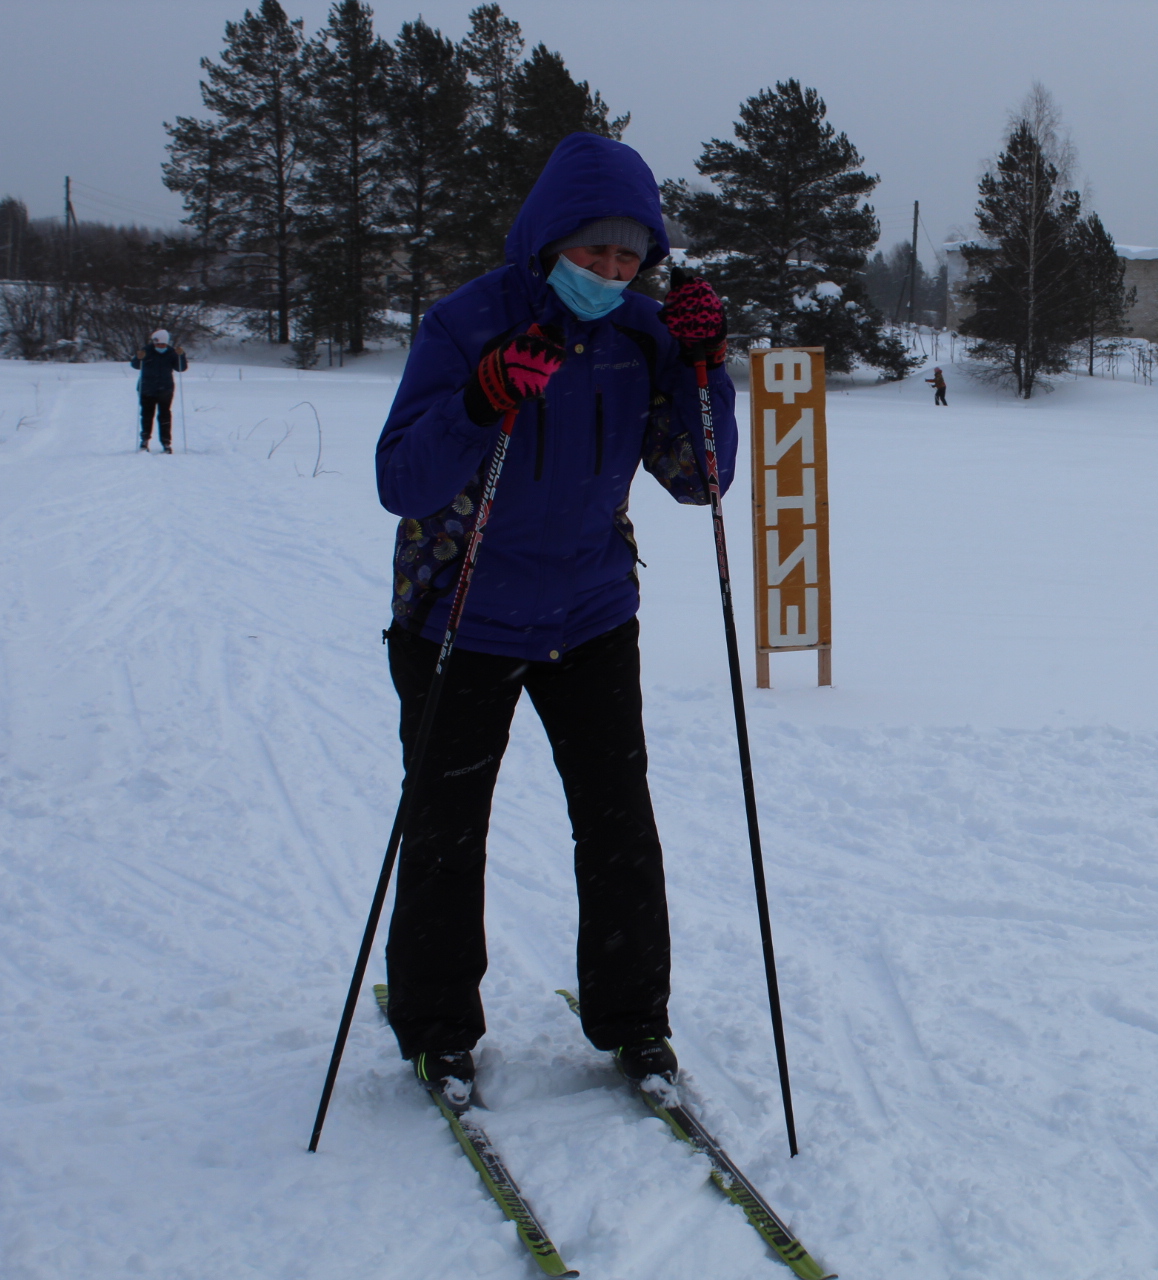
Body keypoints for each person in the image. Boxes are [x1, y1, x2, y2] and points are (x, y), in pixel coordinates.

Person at [373, 133, 735, 1107]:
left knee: (619, 825)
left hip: (590, 612)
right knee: (447, 825)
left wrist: (706, 367)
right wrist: (482, 400)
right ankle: (438, 1026)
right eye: (592, 253)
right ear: (546, 241)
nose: (610, 274)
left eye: (628, 259)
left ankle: (636, 1022)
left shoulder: (643, 334)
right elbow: (401, 478)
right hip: (460, 610)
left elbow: (699, 475)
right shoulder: (466, 324)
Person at [131, 330, 187, 452]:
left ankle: (166, 443)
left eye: (163, 345)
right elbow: (135, 365)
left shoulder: (172, 353)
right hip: (147, 389)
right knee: (146, 415)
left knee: (165, 416)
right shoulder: (146, 351)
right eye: (158, 344)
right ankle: (144, 441)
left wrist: (181, 356)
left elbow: (181, 368)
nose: (161, 347)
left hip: (165, 390)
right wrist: (137, 358)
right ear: (154, 342)